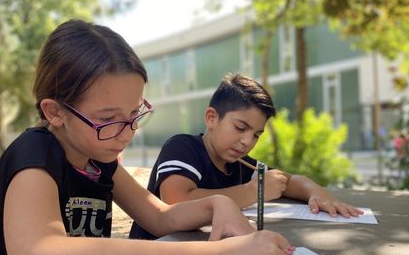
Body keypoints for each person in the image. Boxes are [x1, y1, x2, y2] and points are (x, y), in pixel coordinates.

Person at [0, 21, 294, 255]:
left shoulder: (101, 157)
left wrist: (216, 205)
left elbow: (159, 216)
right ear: (55, 112)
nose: (127, 132)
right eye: (108, 120)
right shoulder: (35, 155)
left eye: (135, 113)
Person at [130, 73, 363, 240]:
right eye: (240, 128)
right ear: (211, 118)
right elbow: (176, 200)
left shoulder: (240, 165)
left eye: (256, 135)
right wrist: (254, 192)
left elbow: (287, 180)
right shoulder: (183, 147)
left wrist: (318, 193)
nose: (247, 142)